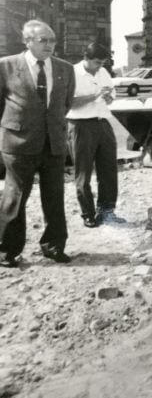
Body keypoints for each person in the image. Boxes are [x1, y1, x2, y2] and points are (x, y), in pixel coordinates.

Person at [0, 20, 76, 267]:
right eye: (43, 40)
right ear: (27, 41)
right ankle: (7, 251)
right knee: (15, 197)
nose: (49, 45)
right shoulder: (6, 66)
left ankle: (53, 246)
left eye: (53, 40)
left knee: (54, 197)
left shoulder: (65, 68)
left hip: (53, 144)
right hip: (19, 144)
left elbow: (65, 104)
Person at [67, 43, 121, 228]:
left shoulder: (103, 72)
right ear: (86, 58)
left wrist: (109, 97)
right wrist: (96, 94)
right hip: (81, 124)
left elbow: (112, 93)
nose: (100, 66)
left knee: (108, 169)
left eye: (103, 62)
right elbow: (70, 102)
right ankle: (88, 214)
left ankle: (107, 210)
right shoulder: (71, 73)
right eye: (97, 62)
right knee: (84, 171)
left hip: (102, 122)